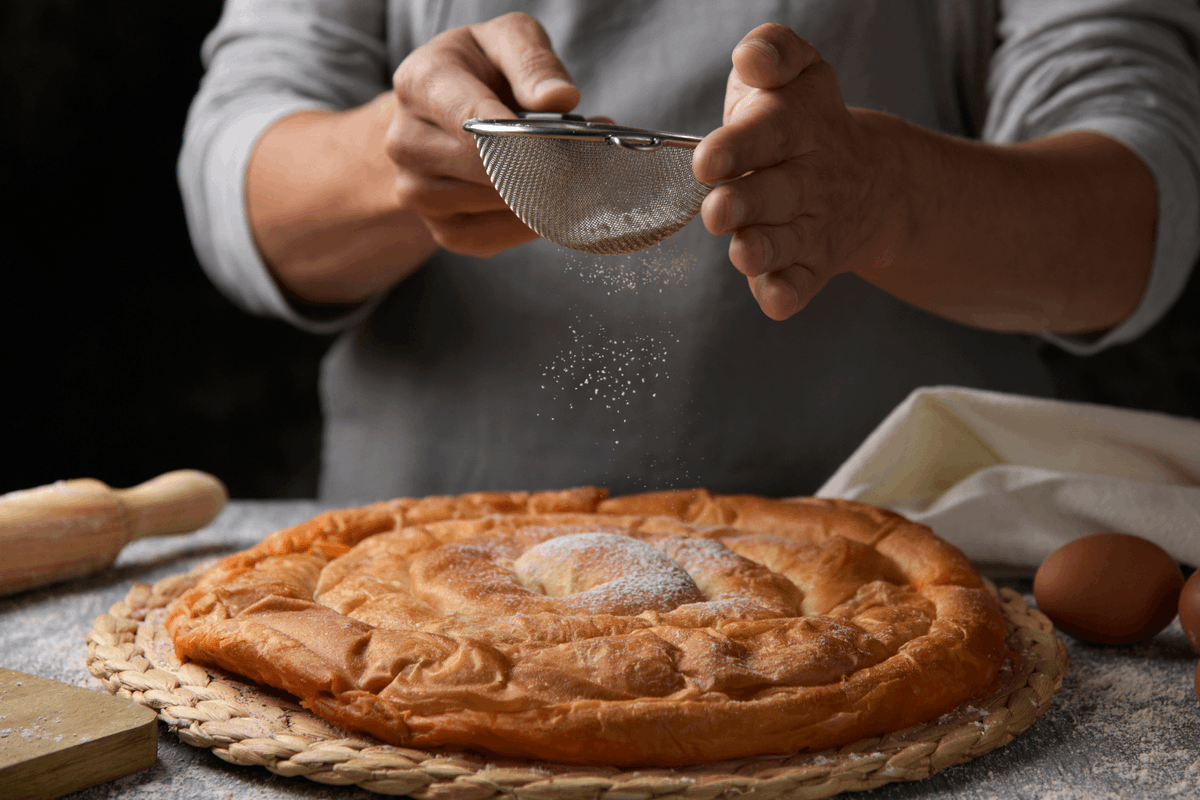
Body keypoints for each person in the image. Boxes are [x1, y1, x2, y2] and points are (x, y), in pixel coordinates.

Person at [179, 1, 1200, 503]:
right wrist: (395, 161)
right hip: (426, 569)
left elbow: (1136, 217)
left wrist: (889, 195)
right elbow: (241, 178)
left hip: (895, 558)